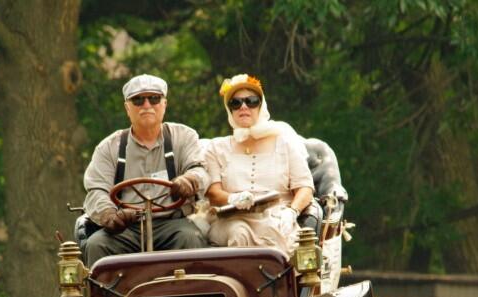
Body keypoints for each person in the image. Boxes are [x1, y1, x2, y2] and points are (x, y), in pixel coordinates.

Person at [82, 74, 209, 265]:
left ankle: (189, 294)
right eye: (138, 100)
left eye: (154, 98)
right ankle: (107, 295)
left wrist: (189, 180)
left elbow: (199, 170)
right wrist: (110, 215)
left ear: (164, 104)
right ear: (127, 107)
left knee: (191, 239)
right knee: (96, 244)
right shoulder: (109, 147)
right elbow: (96, 190)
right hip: (126, 228)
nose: (147, 105)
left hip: (172, 224)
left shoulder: (184, 137)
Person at [204, 74, 314, 256]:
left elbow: (305, 188)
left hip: (277, 218)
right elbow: (213, 193)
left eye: (251, 101)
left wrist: (292, 212)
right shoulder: (216, 148)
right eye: (236, 103)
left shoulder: (285, 141)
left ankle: (281, 283)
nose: (244, 107)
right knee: (239, 233)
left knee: (276, 234)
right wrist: (233, 199)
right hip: (230, 219)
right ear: (229, 110)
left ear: (261, 106)